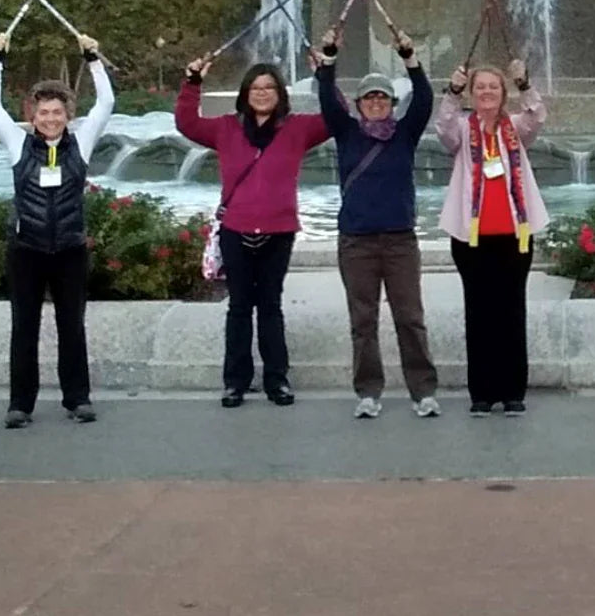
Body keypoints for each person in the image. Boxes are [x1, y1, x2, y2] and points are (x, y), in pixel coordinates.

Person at [176, 57, 331, 409]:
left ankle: (277, 380)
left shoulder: (297, 128)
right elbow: (186, 123)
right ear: (246, 94)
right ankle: (235, 382)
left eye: (269, 88)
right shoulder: (227, 128)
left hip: (279, 230)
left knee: (271, 307)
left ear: (280, 93)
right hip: (236, 229)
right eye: (255, 88)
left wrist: (325, 76)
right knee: (239, 307)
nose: (262, 94)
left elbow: (335, 119)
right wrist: (192, 82)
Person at [0, 31, 114, 429]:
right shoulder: (18, 145)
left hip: (71, 249)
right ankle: (20, 404)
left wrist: (93, 57)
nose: (51, 119)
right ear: (33, 116)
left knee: (72, 326)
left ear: (68, 115)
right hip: (26, 250)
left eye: (58, 112)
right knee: (24, 328)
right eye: (44, 113)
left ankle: (78, 399)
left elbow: (106, 102)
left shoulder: (82, 143)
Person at [314, 26, 440, 419]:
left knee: (410, 318)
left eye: (382, 97)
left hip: (400, 240)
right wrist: (330, 58)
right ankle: (368, 392)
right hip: (357, 242)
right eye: (368, 98)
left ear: (391, 103)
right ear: (358, 103)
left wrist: (410, 58)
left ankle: (423, 392)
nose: (375, 103)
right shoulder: (346, 132)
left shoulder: (405, 134)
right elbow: (325, 98)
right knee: (363, 321)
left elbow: (425, 99)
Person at [436, 58, 549, 416]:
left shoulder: (516, 128)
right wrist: (452, 92)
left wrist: (525, 83)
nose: (486, 92)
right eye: (480, 86)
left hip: (515, 234)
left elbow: (538, 116)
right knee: (479, 312)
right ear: (472, 92)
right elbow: (442, 126)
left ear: (503, 94)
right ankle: (481, 393)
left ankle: (513, 390)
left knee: (512, 311)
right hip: (471, 237)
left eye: (494, 87)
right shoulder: (462, 129)